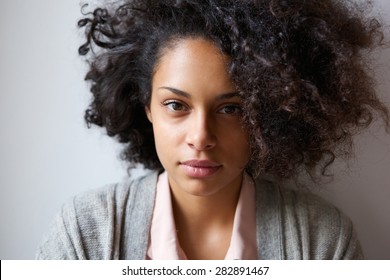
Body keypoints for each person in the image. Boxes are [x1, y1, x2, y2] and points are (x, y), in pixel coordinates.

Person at [36, 0, 389, 259]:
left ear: (266, 115)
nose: (201, 136)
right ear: (146, 107)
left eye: (231, 109)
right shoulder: (84, 232)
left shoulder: (322, 241)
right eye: (176, 105)